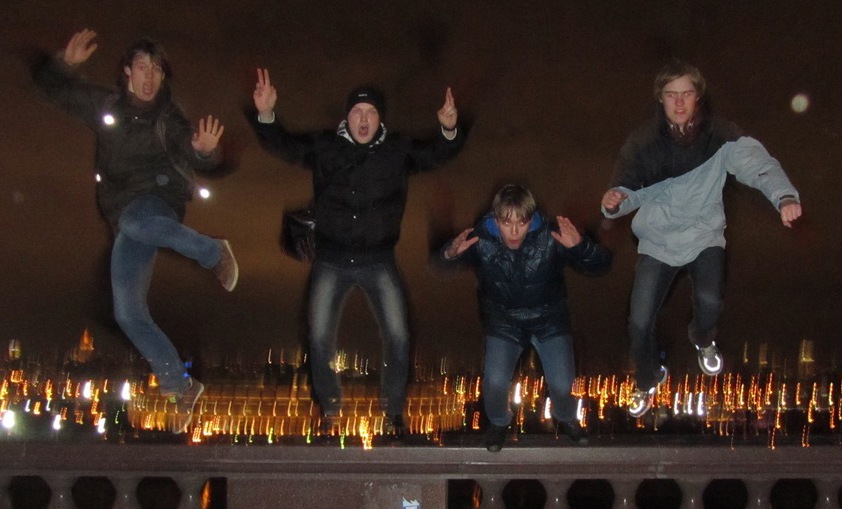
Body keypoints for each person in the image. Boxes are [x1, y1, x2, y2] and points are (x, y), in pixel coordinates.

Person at [34, 29, 238, 434]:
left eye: (157, 70)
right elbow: (56, 90)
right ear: (127, 72)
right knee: (127, 312)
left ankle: (214, 252)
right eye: (142, 68)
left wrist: (204, 151)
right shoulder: (107, 106)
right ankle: (181, 386)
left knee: (136, 221)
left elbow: (193, 150)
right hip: (123, 215)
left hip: (157, 202)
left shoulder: (168, 118)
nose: (149, 77)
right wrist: (64, 63)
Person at [249, 68, 466, 435]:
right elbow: (285, 146)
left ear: (380, 119)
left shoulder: (396, 150)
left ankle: (393, 411)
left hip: (378, 260)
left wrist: (448, 130)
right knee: (319, 337)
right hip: (331, 260)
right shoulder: (325, 147)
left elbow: (435, 154)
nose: (363, 120)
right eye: (357, 112)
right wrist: (267, 115)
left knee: (399, 336)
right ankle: (329, 409)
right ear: (346, 118)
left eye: (371, 113)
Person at [600, 60, 803, 418]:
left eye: (687, 94)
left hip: (703, 234)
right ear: (660, 99)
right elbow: (626, 191)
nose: (679, 103)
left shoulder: (719, 136)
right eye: (671, 95)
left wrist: (783, 196)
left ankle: (703, 339)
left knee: (710, 300)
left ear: (698, 97)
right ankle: (647, 379)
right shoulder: (644, 144)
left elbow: (758, 165)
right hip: (659, 241)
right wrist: (614, 202)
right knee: (639, 322)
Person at [439, 184, 611, 451]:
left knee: (562, 384)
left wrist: (580, 247)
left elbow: (601, 265)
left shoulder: (551, 236)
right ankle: (498, 423)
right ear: (496, 219)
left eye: (522, 223)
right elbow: (440, 266)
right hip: (504, 320)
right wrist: (450, 253)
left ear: (531, 220)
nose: (514, 231)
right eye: (507, 223)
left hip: (549, 318)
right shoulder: (480, 240)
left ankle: (566, 417)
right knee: (494, 383)